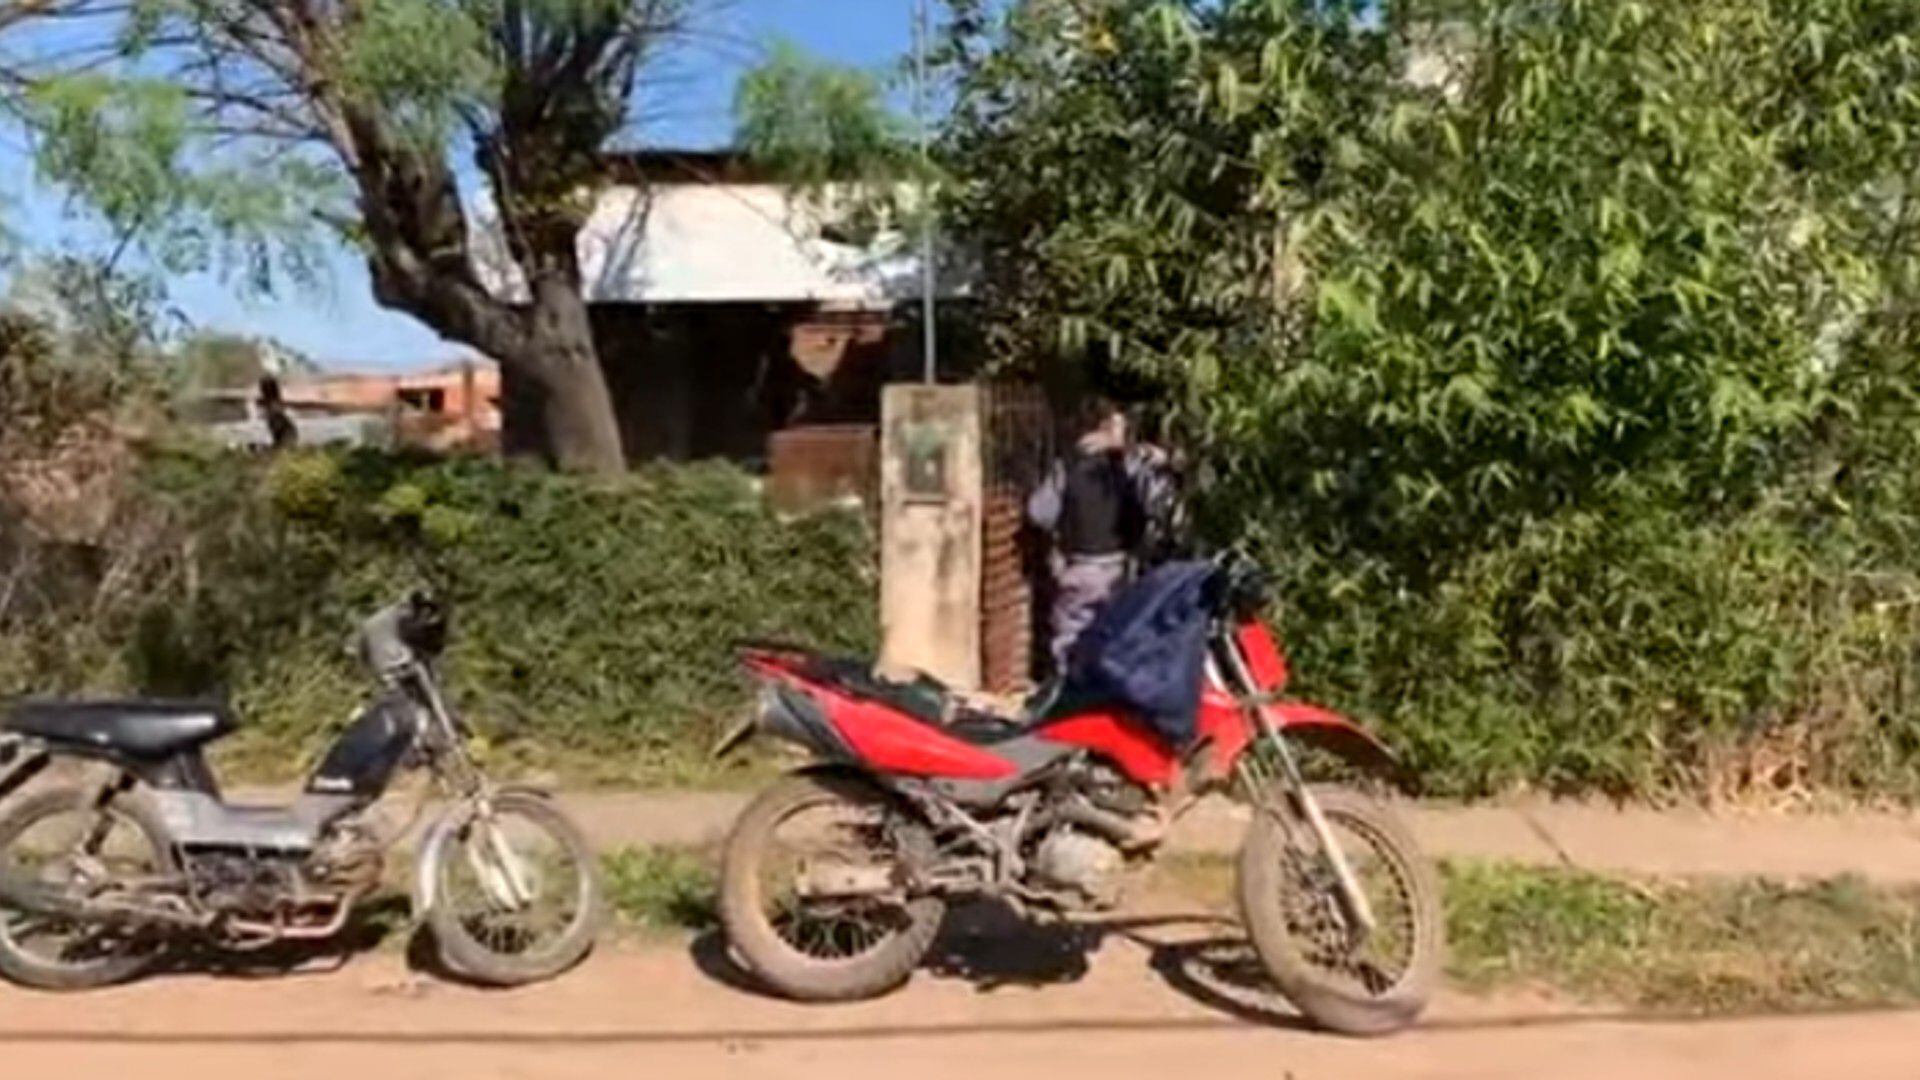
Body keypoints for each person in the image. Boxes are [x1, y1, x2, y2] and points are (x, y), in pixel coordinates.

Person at [1026, 396, 1178, 671]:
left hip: (1078, 567)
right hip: (1120, 569)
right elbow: (1159, 504)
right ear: (1106, 428)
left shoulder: (1067, 466)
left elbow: (1039, 513)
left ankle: (1069, 697)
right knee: (1116, 639)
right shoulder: (1130, 465)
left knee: (1069, 640)